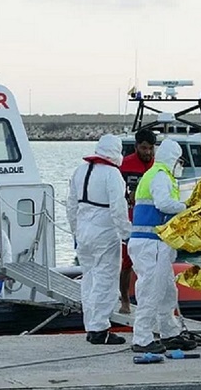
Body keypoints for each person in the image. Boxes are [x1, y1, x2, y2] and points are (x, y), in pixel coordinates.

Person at [129, 139, 196, 353]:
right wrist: (187, 208)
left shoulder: (157, 174)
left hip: (156, 244)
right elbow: (163, 204)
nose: (181, 165)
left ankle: (169, 332)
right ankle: (142, 338)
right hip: (152, 245)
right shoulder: (160, 176)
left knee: (167, 291)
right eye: (180, 160)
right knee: (151, 291)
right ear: (172, 158)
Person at [66, 134, 131, 344]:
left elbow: (71, 206)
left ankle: (91, 325)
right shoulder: (112, 174)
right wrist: (127, 234)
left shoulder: (80, 171)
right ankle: (100, 329)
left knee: (89, 280)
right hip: (105, 232)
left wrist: (76, 231)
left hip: (83, 232)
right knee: (106, 280)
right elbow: (118, 209)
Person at [118, 129, 156, 314]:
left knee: (150, 262)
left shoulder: (158, 167)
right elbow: (115, 192)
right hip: (130, 219)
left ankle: (146, 302)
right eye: (143, 148)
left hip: (152, 221)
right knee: (127, 262)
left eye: (150, 148)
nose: (147, 152)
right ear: (136, 147)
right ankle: (124, 300)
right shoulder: (124, 165)